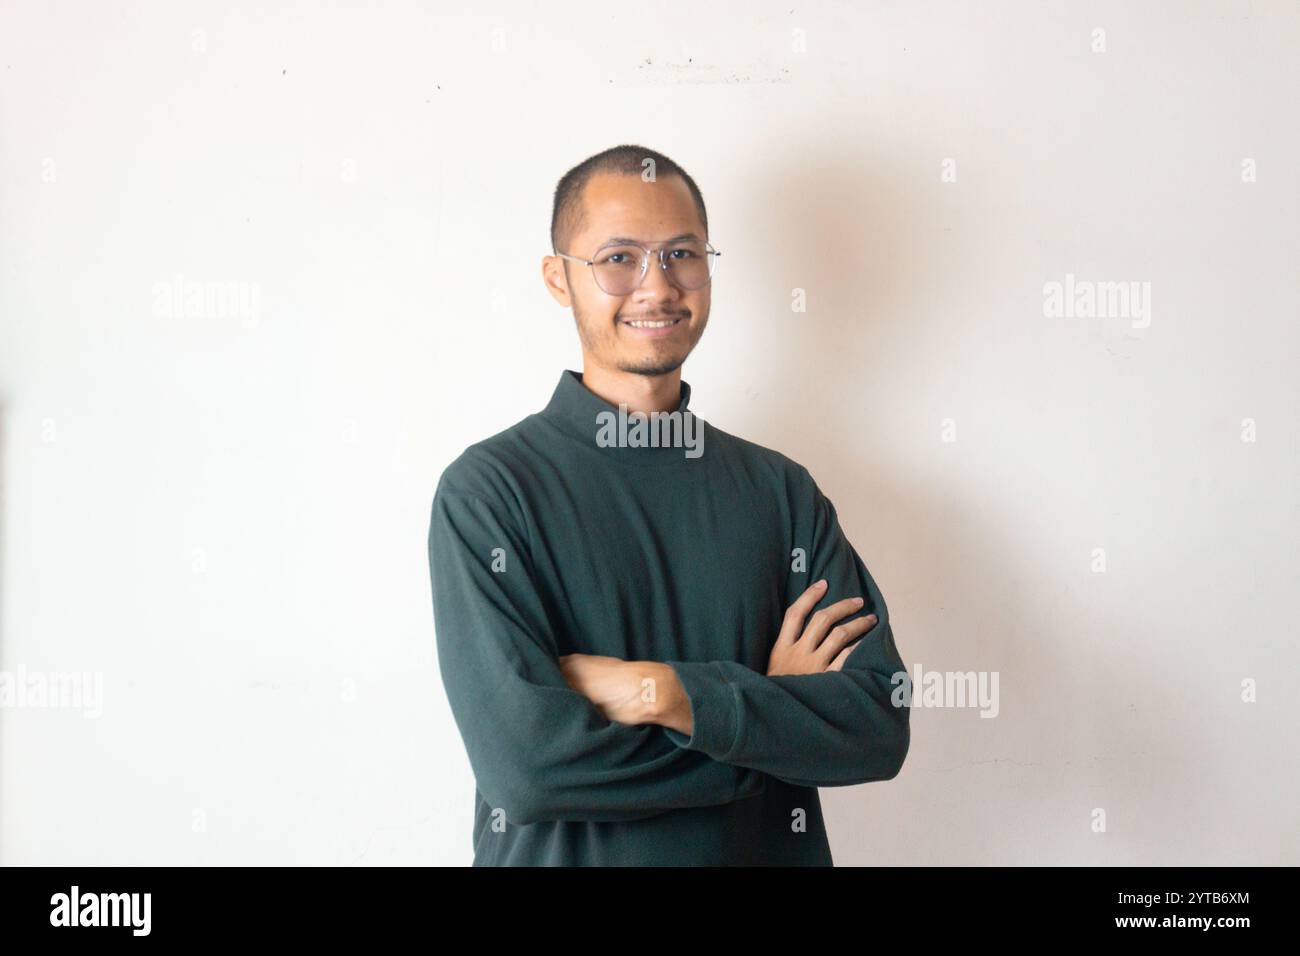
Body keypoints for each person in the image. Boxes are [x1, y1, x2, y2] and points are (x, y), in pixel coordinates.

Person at [427, 144, 909, 865]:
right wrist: (762, 716)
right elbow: (527, 769)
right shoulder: (490, 491)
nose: (657, 287)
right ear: (559, 279)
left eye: (681, 253)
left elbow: (876, 726)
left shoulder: (781, 493)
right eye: (618, 258)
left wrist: (657, 693)